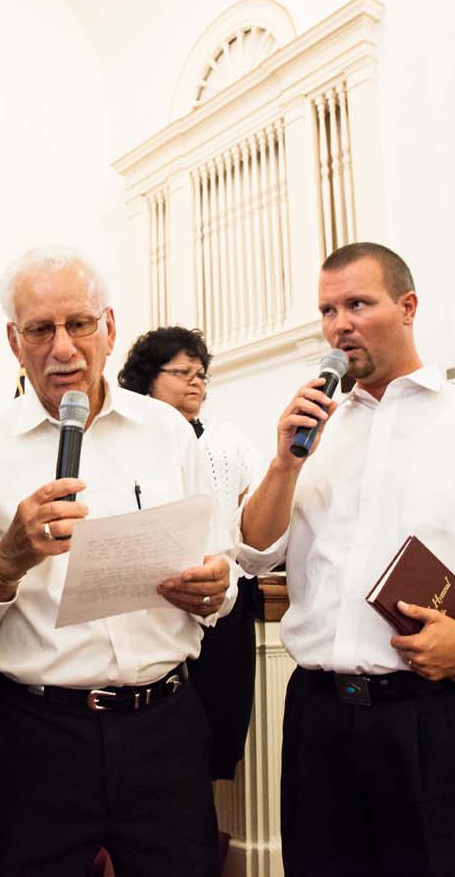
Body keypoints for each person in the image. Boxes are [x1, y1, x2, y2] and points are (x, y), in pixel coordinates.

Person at [236, 241, 455, 877]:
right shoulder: (317, 430)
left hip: (440, 716)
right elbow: (256, 553)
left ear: (407, 306)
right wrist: (284, 462)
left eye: (358, 304)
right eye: (327, 310)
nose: (339, 324)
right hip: (319, 714)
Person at [0, 245, 234, 876]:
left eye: (79, 324)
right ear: (14, 340)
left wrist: (216, 586)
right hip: (38, 737)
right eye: (40, 329)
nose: (62, 347)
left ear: (110, 329)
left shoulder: (168, 431)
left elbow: (220, 562)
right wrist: (4, 563)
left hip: (164, 728)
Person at [117, 325, 261, 781]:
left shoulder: (227, 441)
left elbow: (249, 505)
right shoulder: (124, 440)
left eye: (201, 374)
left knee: (212, 736)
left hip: (221, 601)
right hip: (150, 604)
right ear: (147, 379)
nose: (196, 381)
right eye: (182, 372)